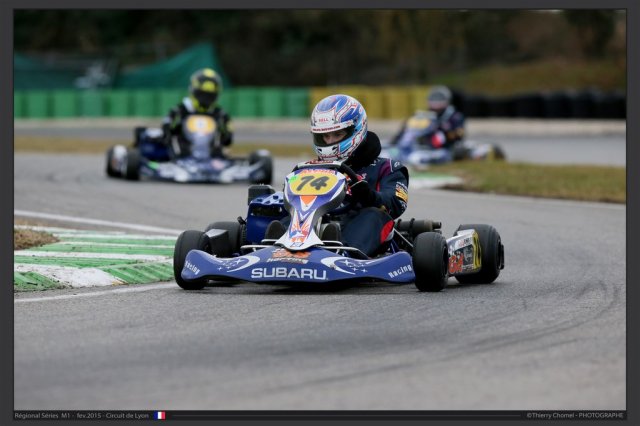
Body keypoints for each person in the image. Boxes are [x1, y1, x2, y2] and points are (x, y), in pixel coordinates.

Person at [267, 94, 409, 257]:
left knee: (373, 216)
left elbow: (396, 204)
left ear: (356, 130)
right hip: (317, 222)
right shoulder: (310, 169)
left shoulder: (388, 167)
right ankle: (278, 246)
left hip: (362, 227)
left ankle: (342, 252)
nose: (329, 142)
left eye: (337, 135)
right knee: (288, 215)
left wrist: (369, 196)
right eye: (325, 137)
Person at [161, 68, 233, 158]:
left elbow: (227, 140)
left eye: (209, 95)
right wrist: (168, 129)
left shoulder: (220, 114)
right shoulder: (181, 110)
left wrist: (226, 132)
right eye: (202, 94)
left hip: (212, 158)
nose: (206, 99)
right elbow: (167, 131)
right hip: (183, 157)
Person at [390, 85, 465, 151]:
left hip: (444, 145)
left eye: (439, 99)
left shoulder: (454, 116)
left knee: (440, 137)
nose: (436, 102)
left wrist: (440, 128)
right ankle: (400, 142)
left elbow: (459, 134)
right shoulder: (424, 115)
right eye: (434, 99)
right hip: (419, 142)